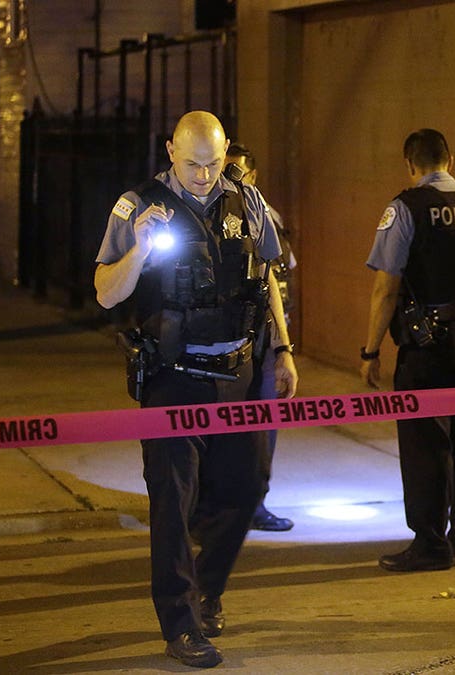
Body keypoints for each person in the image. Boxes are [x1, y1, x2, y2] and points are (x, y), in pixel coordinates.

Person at [95, 110, 298, 668]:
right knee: (173, 502)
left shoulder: (248, 201)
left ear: (226, 150)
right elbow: (106, 293)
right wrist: (139, 250)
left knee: (247, 486)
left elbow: (270, 277)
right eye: (192, 165)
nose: (205, 176)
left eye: (213, 163)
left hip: (238, 373)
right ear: (170, 152)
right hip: (173, 379)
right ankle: (181, 624)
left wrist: (281, 349)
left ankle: (207, 590)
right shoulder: (137, 206)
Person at [360, 128, 455, 572]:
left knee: (426, 440)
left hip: (426, 341)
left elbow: (385, 288)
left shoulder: (405, 207)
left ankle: (430, 544)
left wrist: (371, 351)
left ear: (411, 165)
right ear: (452, 158)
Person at [225, 142, 296, 532]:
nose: (232, 179)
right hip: (235, 338)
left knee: (263, 429)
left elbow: (282, 276)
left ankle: (255, 504)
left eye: (240, 173)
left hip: (267, 336)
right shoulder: (214, 216)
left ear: (254, 177)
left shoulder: (266, 216)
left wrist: (285, 344)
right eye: (227, 171)